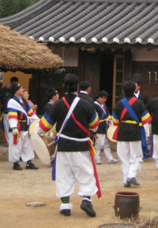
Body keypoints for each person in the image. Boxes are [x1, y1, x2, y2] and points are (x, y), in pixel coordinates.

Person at [35, 73, 100, 217]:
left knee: (64, 176)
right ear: (78, 87)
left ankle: (65, 205)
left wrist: (35, 133)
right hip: (81, 146)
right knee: (86, 174)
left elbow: (44, 126)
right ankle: (86, 200)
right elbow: (95, 126)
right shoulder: (86, 104)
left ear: (64, 87)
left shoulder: (57, 105)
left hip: (63, 146)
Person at [112, 81, 152, 187]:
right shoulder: (139, 103)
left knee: (124, 158)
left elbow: (115, 121)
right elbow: (146, 119)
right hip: (135, 131)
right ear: (134, 89)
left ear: (123, 90)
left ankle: (126, 181)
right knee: (137, 156)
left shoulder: (119, 103)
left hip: (122, 131)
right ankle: (131, 175)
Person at [7, 82, 39, 171]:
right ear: (16, 91)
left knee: (28, 145)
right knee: (16, 145)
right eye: (20, 88)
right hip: (17, 127)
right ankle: (15, 163)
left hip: (26, 126)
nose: (22, 89)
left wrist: (38, 122)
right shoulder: (11, 101)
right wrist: (14, 127)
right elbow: (12, 116)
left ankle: (29, 162)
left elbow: (31, 113)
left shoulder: (23, 101)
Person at [93, 90, 118, 165]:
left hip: (105, 126)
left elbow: (108, 115)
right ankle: (97, 158)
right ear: (99, 97)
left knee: (106, 144)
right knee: (99, 144)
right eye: (103, 98)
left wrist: (110, 122)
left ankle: (110, 158)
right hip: (98, 126)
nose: (104, 100)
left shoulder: (104, 105)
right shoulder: (94, 105)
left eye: (105, 98)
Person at [133, 74, 150, 159]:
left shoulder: (143, 95)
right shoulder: (130, 96)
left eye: (135, 86)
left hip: (142, 119)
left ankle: (144, 152)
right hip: (133, 119)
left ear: (139, 86)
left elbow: (148, 105)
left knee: (144, 137)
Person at [0, 76, 18, 144]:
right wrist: (6, 87)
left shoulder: (17, 92)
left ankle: (13, 142)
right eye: (13, 83)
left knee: (13, 127)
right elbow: (0, 94)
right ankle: (8, 143)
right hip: (6, 111)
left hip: (14, 113)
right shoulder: (7, 90)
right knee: (6, 128)